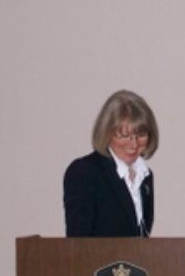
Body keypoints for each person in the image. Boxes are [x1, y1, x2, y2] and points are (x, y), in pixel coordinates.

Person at [63, 89, 158, 237]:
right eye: (124, 135)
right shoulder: (84, 172)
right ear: (106, 133)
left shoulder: (145, 176)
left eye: (141, 135)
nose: (133, 144)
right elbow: (78, 242)